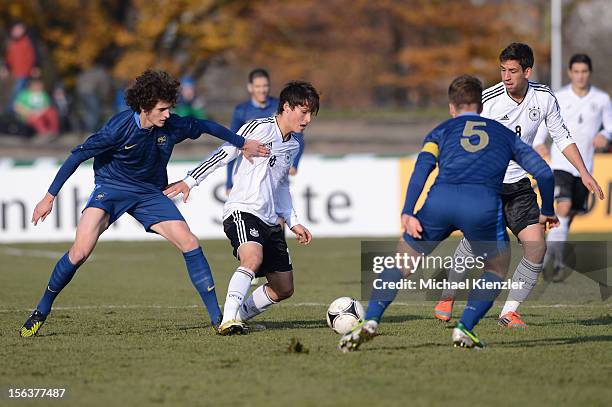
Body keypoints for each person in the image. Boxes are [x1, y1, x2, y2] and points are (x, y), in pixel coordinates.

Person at [20, 70, 268, 338]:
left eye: (169, 108)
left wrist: (242, 143)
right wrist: (49, 197)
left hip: (149, 193)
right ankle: (41, 310)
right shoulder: (118, 128)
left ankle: (217, 319)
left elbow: (206, 126)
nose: (167, 115)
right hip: (112, 189)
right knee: (80, 252)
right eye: (161, 109)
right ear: (144, 107)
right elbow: (76, 157)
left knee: (191, 243)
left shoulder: (172, 125)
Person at [339, 75, 557, 352]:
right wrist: (547, 210)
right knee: (497, 268)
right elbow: (544, 174)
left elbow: (422, 169)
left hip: (439, 203)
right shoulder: (503, 134)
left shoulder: (441, 131)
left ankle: (370, 320)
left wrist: (408, 211)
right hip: (481, 207)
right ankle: (464, 327)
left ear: (452, 107)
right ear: (480, 106)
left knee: (401, 263)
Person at [433, 43, 604, 328]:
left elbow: (561, 136)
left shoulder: (544, 98)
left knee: (536, 248)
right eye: (502, 70)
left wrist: (583, 172)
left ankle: (509, 312)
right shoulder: (488, 100)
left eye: (512, 71)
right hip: (485, 185)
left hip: (520, 186)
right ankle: (448, 295)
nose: (506, 76)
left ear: (527, 71)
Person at [164, 80, 319, 335]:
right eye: (303, 112)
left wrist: (293, 221)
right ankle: (227, 320)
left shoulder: (293, 145)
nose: (308, 119)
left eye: (311, 113)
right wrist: (190, 180)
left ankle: (239, 314)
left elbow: (282, 186)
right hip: (243, 210)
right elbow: (224, 153)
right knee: (252, 258)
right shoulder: (259, 128)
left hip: (271, 220)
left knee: (283, 288)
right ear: (286, 107)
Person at [533, 54, 612, 281]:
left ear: (589, 73)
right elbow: (547, 123)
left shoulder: (602, 99)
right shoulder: (559, 97)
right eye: (576, 72)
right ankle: (548, 261)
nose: (580, 76)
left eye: (584, 72)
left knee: (570, 214)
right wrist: (539, 142)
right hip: (560, 164)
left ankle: (554, 258)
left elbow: (610, 127)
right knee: (564, 207)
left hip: (585, 167)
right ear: (570, 73)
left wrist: (604, 135)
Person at [226, 68, 305, 194]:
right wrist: (229, 182)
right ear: (250, 87)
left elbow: (298, 137)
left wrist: (294, 164)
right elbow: (232, 144)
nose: (262, 90)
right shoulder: (241, 111)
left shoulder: (280, 106)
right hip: (250, 171)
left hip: (276, 172)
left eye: (265, 86)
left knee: (282, 212)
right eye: (258, 86)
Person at [1, 22, 37, 112]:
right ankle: (11, 111)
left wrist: (35, 66)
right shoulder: (11, 44)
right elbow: (8, 58)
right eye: (15, 30)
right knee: (14, 92)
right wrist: (5, 68)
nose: (17, 32)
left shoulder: (27, 42)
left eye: (19, 30)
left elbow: (32, 56)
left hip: (24, 72)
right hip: (14, 74)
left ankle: (10, 112)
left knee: (18, 93)